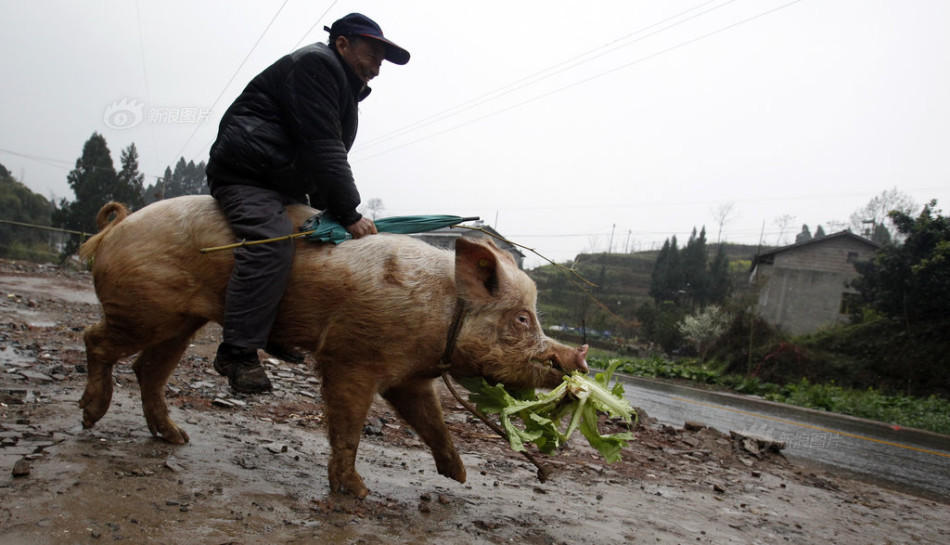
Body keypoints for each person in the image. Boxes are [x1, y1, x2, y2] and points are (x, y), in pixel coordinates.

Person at [205, 13, 410, 393]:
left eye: (382, 60)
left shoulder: (341, 82)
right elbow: (323, 147)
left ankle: (274, 330)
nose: (377, 66)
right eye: (372, 54)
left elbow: (316, 154)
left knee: (313, 244)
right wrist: (348, 213)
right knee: (271, 242)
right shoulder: (316, 65)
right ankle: (237, 352)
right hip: (247, 173)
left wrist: (327, 214)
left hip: (279, 178)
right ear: (342, 43)